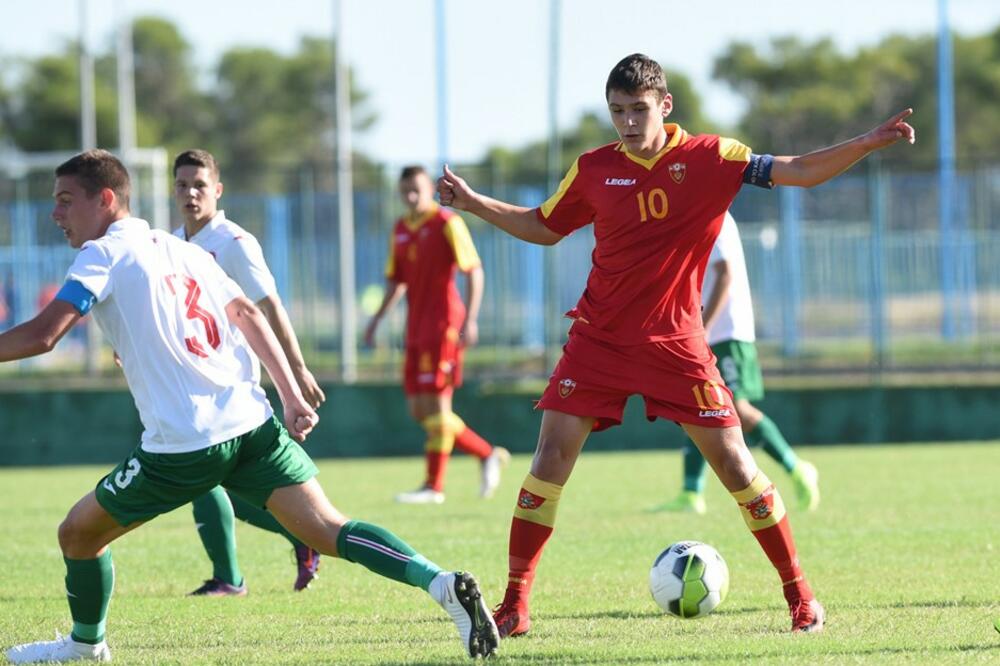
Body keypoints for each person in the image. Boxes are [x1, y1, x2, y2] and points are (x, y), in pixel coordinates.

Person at [437, 53, 914, 638]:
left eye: (638, 109)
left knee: (735, 464)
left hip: (676, 343)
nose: (628, 122)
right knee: (549, 460)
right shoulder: (593, 168)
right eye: (617, 111)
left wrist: (867, 141)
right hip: (598, 340)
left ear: (665, 105)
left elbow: (801, 170)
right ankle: (514, 605)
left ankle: (801, 596)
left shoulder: (715, 157)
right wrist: (474, 202)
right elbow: (543, 226)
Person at [3, 150, 499, 663]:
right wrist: (290, 395)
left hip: (185, 443)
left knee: (78, 534)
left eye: (65, 201)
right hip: (251, 425)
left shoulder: (102, 253)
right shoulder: (182, 249)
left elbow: (44, 335)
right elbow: (247, 314)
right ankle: (442, 583)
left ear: (106, 199)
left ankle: (86, 646)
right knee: (330, 529)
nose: (55, 214)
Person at [172, 149, 325, 595]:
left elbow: (269, 306)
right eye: (182, 185)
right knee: (219, 484)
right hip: (190, 379)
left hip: (229, 382)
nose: (191, 193)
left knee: (200, 475)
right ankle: (299, 536)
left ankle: (230, 577)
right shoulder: (172, 244)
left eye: (200, 185)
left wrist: (297, 370)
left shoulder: (234, 243)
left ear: (218, 190)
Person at [654, 212, 820, 514]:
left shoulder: (713, 212)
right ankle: (691, 493)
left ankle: (796, 467)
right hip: (704, 330)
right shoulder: (690, 209)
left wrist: (702, 328)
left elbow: (725, 273)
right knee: (696, 404)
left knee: (736, 408)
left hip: (726, 331)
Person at [364, 165, 509, 504]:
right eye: (405, 191)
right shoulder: (400, 228)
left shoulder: (447, 223)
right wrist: (376, 320)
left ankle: (434, 486)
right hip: (415, 329)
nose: (411, 196)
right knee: (420, 411)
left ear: (430, 188)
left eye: (417, 189)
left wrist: (470, 319)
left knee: (439, 408)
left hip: (444, 327)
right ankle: (486, 453)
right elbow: (396, 282)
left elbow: (473, 270)